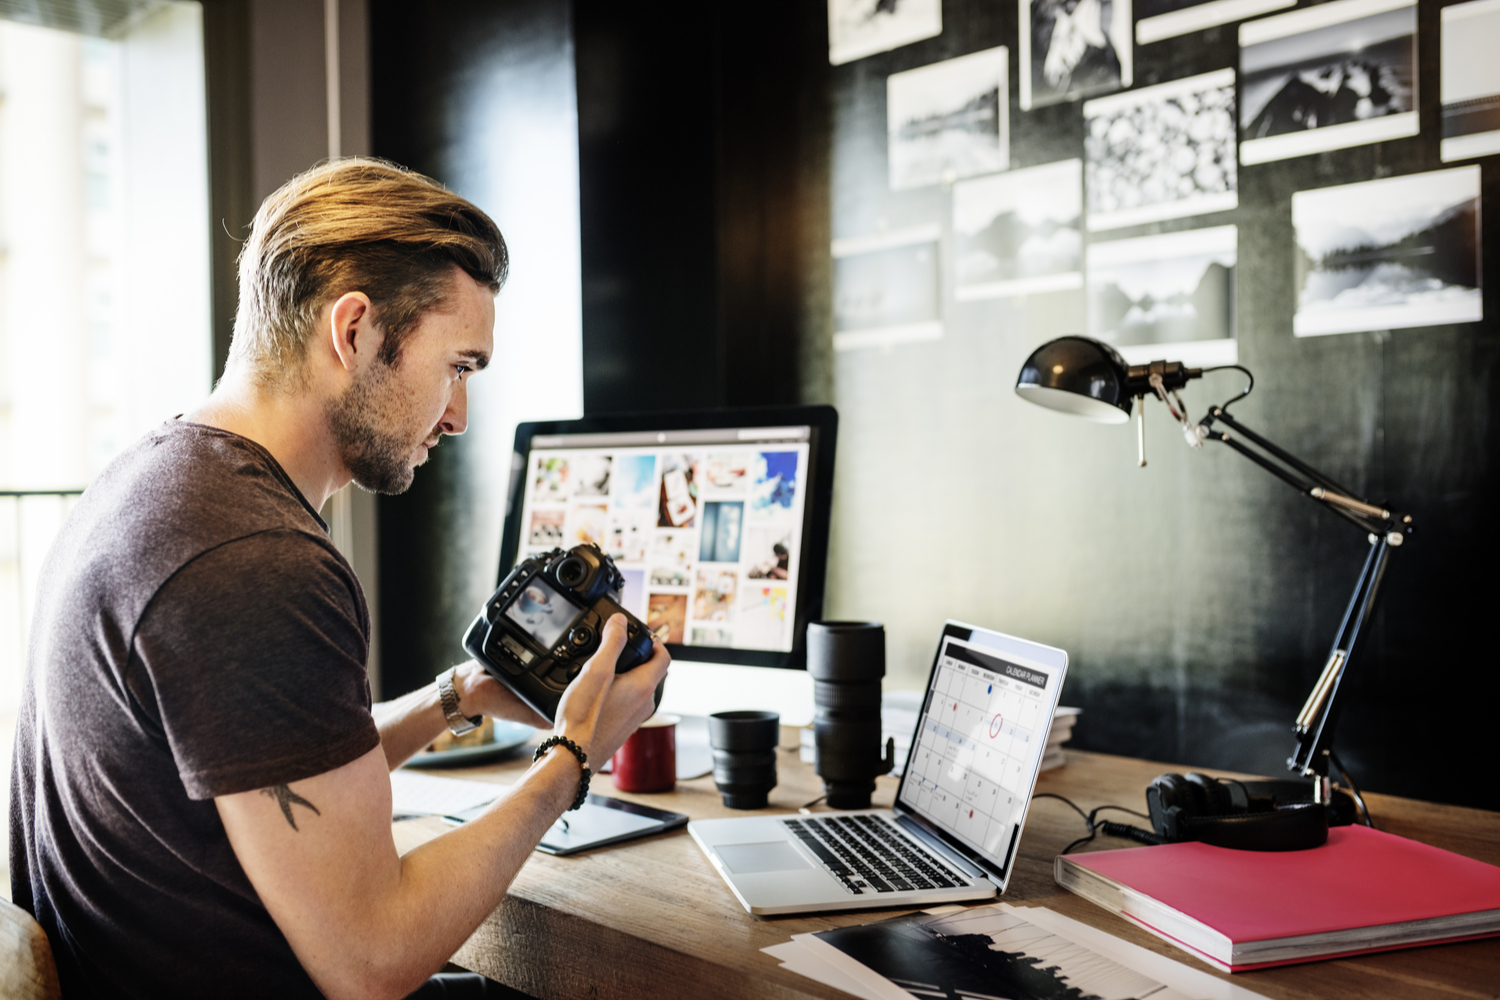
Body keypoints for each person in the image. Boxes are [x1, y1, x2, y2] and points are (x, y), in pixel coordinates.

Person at [8, 158, 671, 1000]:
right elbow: (372, 960)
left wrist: (455, 698)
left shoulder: (159, 481)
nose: (459, 416)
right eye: (458, 368)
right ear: (354, 330)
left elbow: (269, 767)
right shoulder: (255, 562)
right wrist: (573, 755)